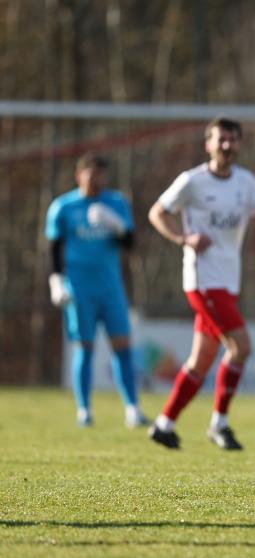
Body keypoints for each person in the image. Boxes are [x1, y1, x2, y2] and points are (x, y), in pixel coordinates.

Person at [147, 116, 255, 451]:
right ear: (208, 144)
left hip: (228, 281)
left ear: (239, 144)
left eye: (232, 140)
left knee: (202, 359)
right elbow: (157, 212)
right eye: (221, 139)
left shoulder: (246, 182)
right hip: (204, 281)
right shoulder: (192, 181)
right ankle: (220, 423)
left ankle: (165, 423)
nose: (227, 145)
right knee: (241, 347)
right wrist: (183, 237)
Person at [45, 153, 147, 428]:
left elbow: (130, 244)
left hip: (110, 287)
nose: (98, 180)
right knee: (85, 347)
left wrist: (116, 225)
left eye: (102, 174)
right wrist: (56, 281)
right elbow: (55, 248)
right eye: (93, 174)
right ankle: (84, 410)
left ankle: (132, 408)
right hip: (79, 288)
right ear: (80, 175)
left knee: (122, 347)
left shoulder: (115, 203)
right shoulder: (63, 207)